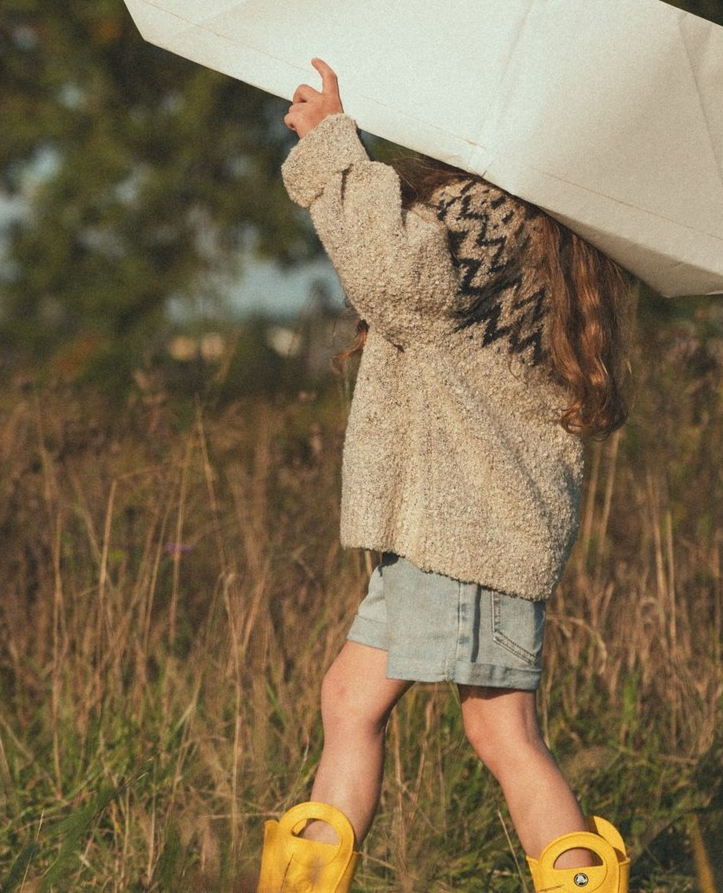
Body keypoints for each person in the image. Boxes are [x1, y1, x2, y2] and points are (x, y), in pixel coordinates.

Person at [258, 59, 633, 893]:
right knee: (350, 703)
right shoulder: (540, 218)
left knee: (504, 736)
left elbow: (396, 281)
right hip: (452, 523)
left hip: (463, 524)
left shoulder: (492, 208)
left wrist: (332, 148)